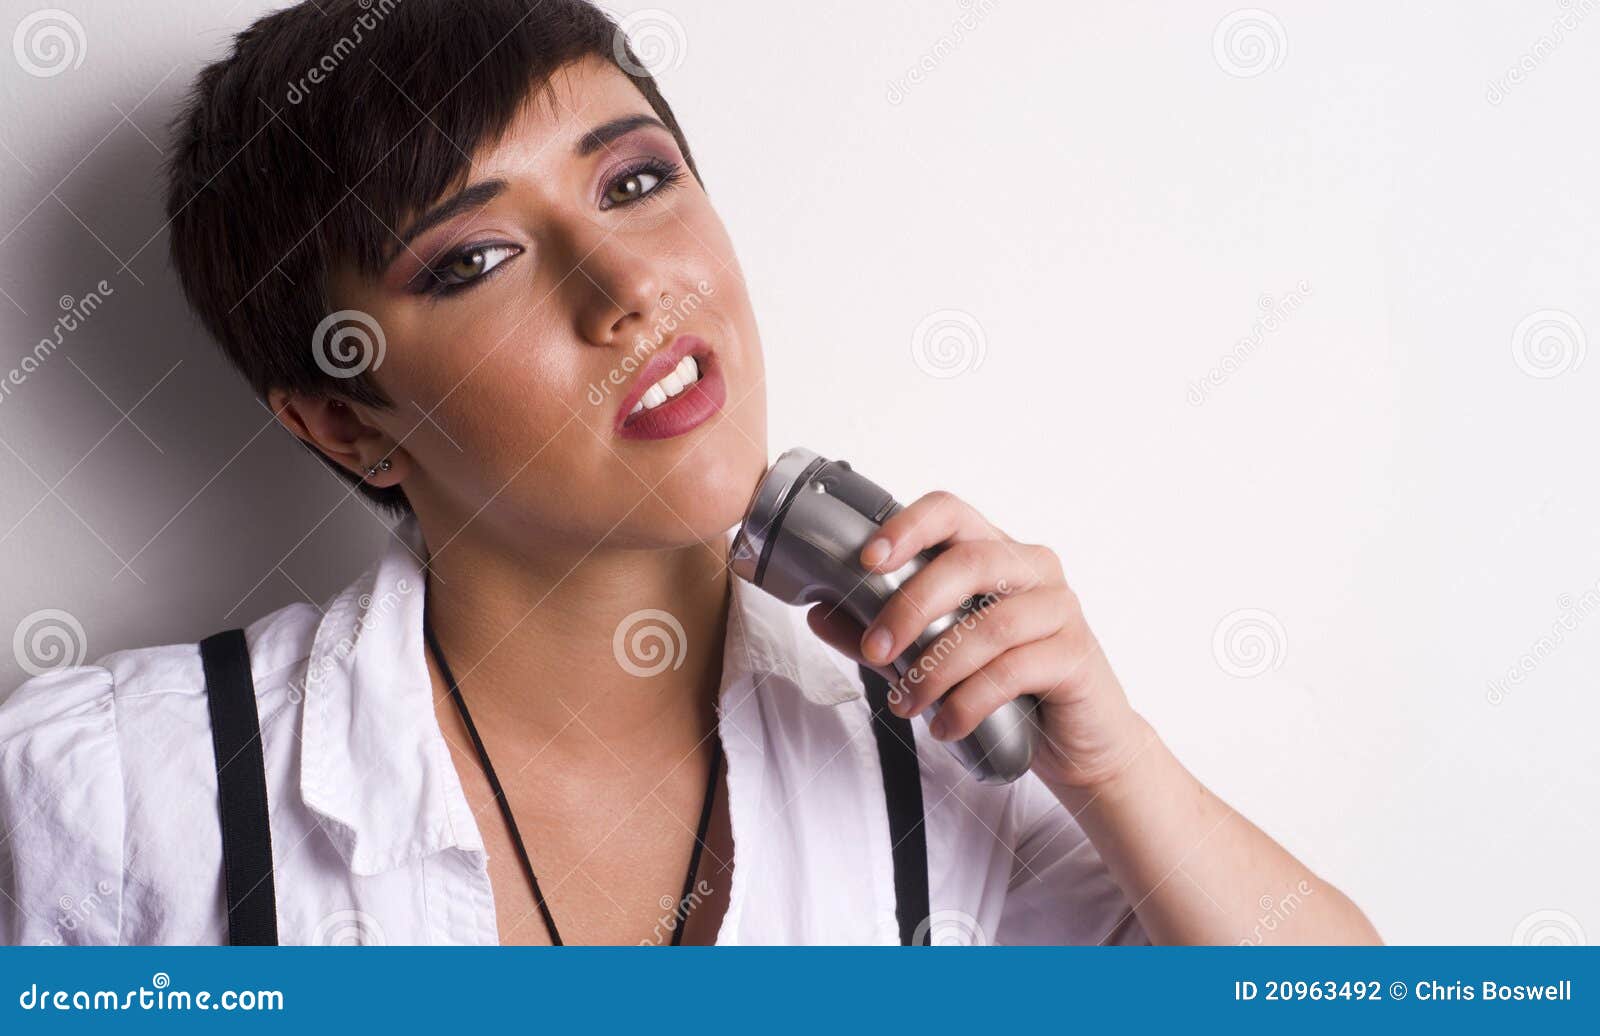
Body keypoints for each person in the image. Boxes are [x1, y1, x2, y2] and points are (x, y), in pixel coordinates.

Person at [0, 0, 1380, 946]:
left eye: (635, 182)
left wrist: (1113, 763)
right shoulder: (119, 785)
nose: (627, 291)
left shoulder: (930, 782)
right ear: (345, 424)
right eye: (475, 260)